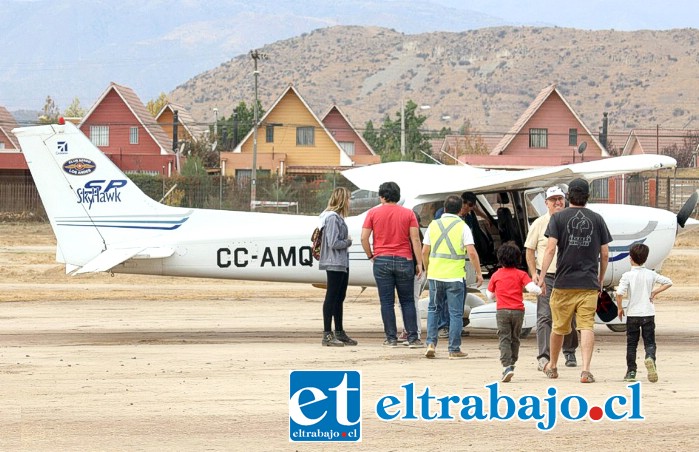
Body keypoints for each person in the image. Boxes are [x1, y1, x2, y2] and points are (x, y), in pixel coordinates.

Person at [538, 178, 612, 383]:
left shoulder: (558, 219)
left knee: (559, 327)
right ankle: (586, 370)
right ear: (588, 196)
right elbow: (604, 253)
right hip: (588, 283)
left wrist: (542, 277)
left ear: (568, 196)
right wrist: (600, 278)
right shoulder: (597, 219)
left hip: (563, 282)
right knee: (586, 326)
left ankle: (552, 366)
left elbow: (551, 248)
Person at [361, 181, 424, 348]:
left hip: (382, 260)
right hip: (404, 260)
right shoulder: (408, 213)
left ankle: (391, 338)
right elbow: (415, 239)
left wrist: (370, 255)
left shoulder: (373, 213)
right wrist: (419, 263)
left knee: (387, 302)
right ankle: (413, 338)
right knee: (408, 301)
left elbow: (363, 238)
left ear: (382, 196)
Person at [524, 186, 579, 371]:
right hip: (546, 276)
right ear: (546, 202)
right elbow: (530, 250)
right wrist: (534, 273)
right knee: (544, 316)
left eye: (560, 199)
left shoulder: (572, 222)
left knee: (569, 315)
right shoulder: (539, 224)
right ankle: (543, 356)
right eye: (553, 199)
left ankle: (569, 350)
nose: (557, 203)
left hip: (568, 275)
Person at [422, 195, 483, 360]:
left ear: (445, 207)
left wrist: (428, 269)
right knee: (456, 313)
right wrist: (478, 273)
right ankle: (454, 349)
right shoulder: (463, 226)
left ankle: (430, 344)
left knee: (433, 310)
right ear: (459, 209)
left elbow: (424, 251)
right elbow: (471, 252)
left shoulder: (433, 225)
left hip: (435, 276)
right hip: (455, 276)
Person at [616, 243, 673, 383]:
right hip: (648, 313)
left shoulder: (627, 275)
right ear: (646, 259)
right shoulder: (651, 274)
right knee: (650, 342)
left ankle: (631, 372)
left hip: (633, 314)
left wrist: (619, 308)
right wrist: (654, 292)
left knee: (631, 345)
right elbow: (668, 282)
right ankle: (650, 357)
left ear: (630, 258)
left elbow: (619, 293)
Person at [486, 242, 542, 382]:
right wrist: (540, 290)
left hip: (502, 311)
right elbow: (531, 289)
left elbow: (489, 294)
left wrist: (496, 295)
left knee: (504, 338)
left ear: (500, 258)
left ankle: (506, 366)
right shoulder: (521, 274)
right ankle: (512, 362)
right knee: (515, 338)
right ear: (518, 258)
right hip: (518, 311)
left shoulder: (496, 275)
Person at [318, 187, 356, 347]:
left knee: (339, 297)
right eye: (348, 199)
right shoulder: (333, 218)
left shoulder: (335, 217)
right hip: (335, 262)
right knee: (332, 296)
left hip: (341, 262)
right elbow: (333, 242)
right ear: (342, 200)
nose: (350, 202)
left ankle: (339, 331)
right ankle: (327, 333)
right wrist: (348, 242)